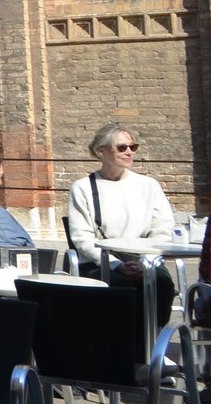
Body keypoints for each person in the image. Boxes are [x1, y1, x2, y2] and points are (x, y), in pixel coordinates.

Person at [66, 123, 178, 319]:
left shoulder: (148, 185)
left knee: (161, 283)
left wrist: (146, 262)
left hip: (145, 259)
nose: (129, 152)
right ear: (101, 151)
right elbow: (82, 239)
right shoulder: (83, 188)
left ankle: (152, 341)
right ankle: (124, 345)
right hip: (101, 261)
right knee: (121, 288)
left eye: (132, 147)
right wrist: (116, 265)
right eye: (122, 147)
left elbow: (163, 229)